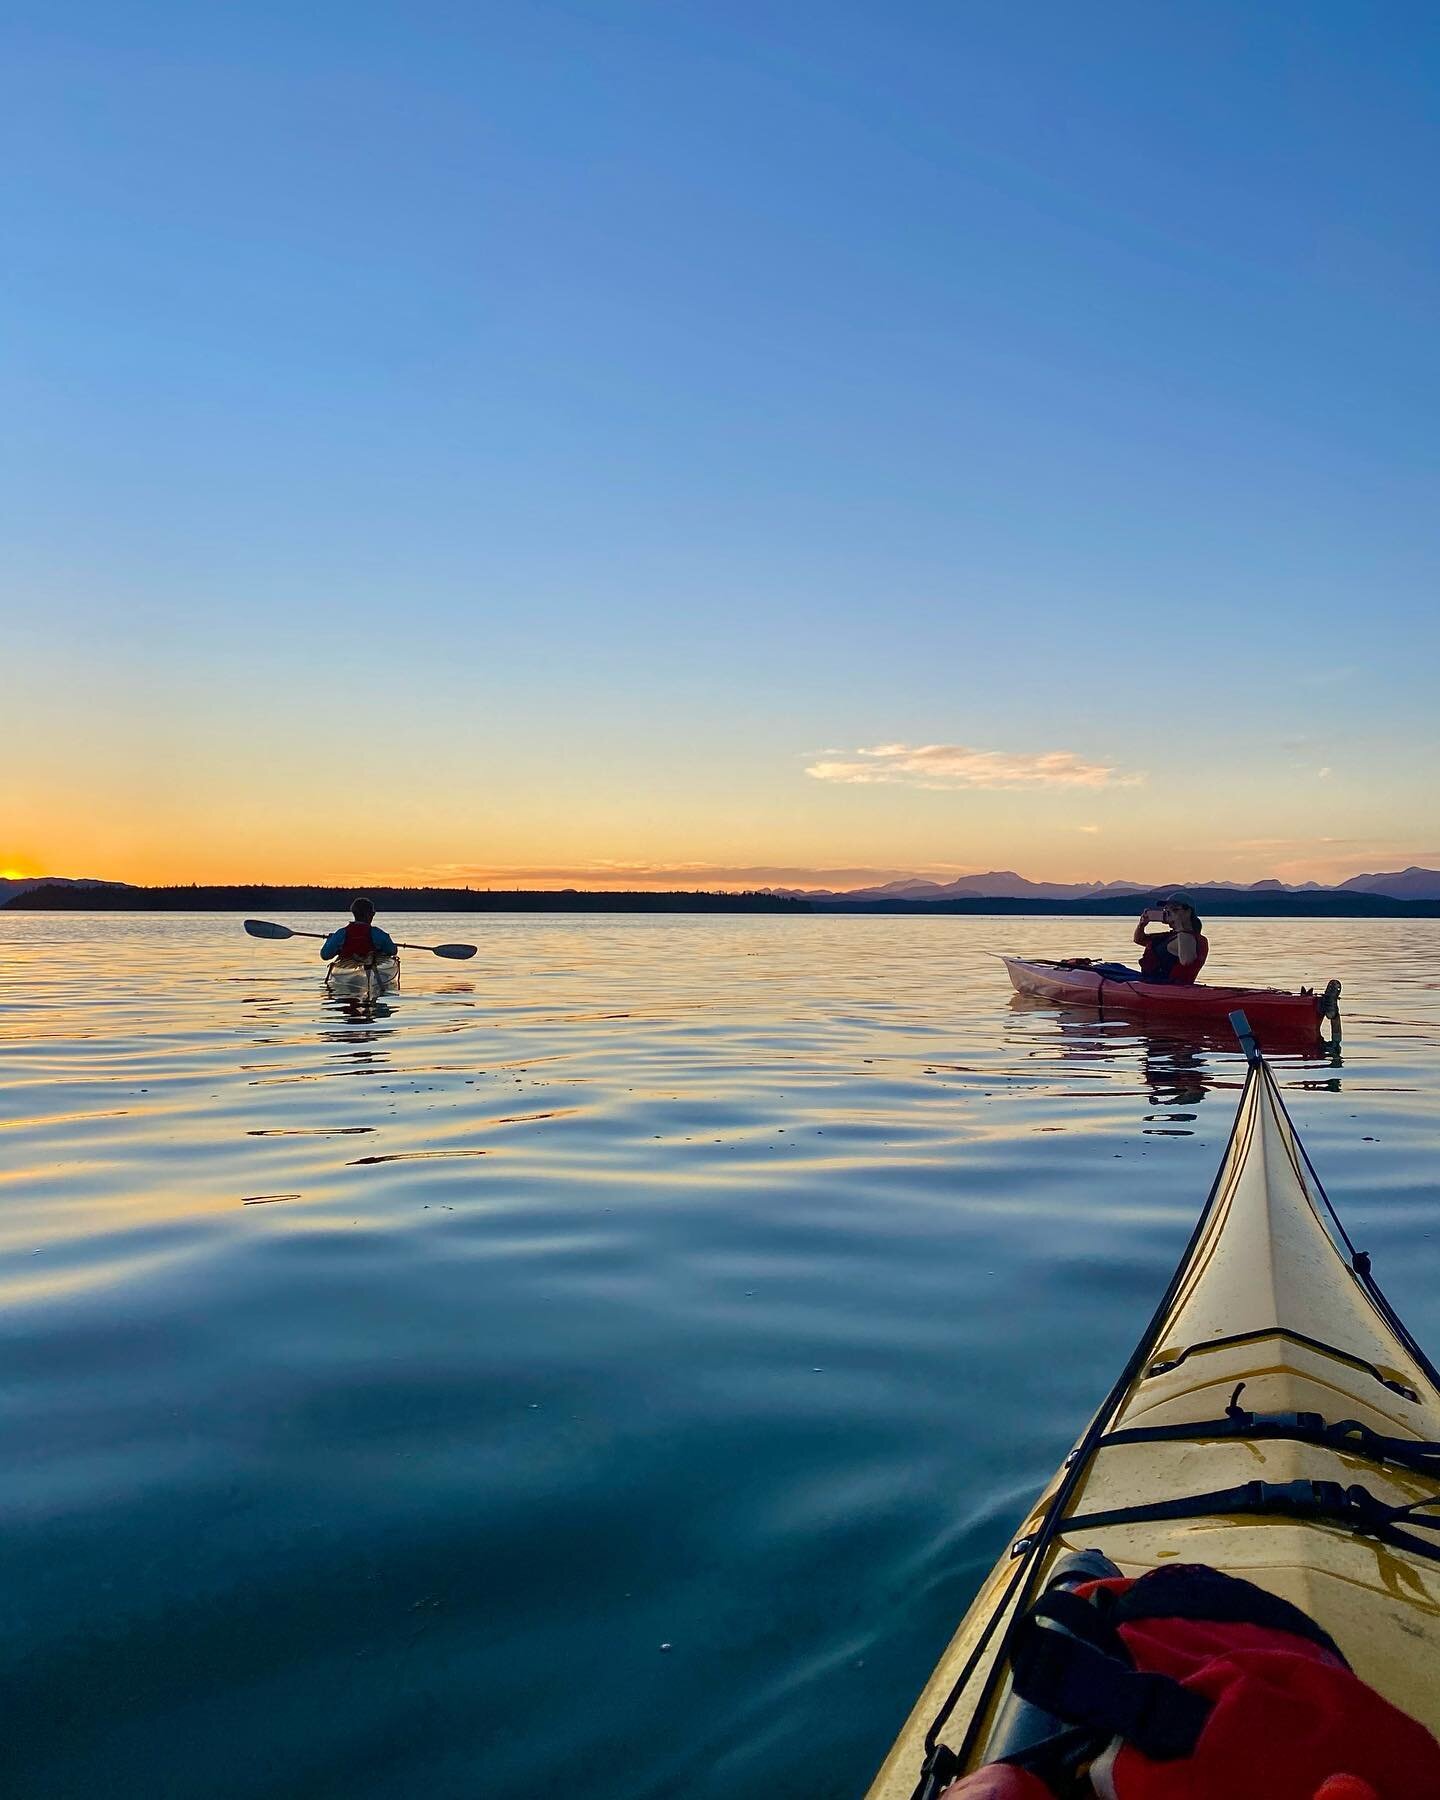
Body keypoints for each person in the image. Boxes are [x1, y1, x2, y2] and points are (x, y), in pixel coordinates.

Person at [1133, 892, 1208, 984]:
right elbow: (1139, 940)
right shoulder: (1170, 936)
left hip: (1168, 985)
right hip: (1150, 981)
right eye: (1166, 911)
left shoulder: (1189, 937)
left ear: (1188, 912)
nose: (1168, 914)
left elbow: (1187, 961)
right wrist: (1141, 925)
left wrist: (1180, 925)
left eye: (1174, 910)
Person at [321, 896, 397, 966]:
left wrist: (329, 940)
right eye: (373, 913)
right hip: (371, 966)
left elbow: (325, 955)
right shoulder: (377, 933)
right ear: (369, 914)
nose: (373, 915)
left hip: (348, 968)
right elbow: (393, 951)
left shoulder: (341, 933)